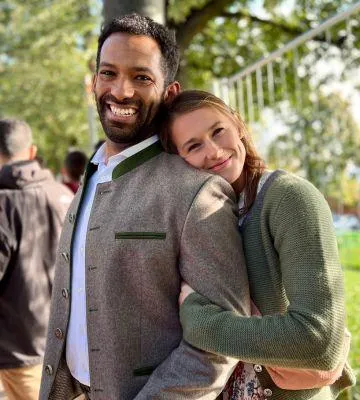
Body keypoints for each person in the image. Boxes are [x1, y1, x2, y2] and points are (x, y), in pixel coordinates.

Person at [39, 13, 250, 400]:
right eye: (108, 73)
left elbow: (222, 340)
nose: (121, 91)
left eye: (141, 77)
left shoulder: (197, 192)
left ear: (169, 92)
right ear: (95, 81)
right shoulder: (93, 172)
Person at [159, 90, 356, 400]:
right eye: (194, 146)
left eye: (218, 131)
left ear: (238, 126)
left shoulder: (289, 199)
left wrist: (198, 323)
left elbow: (320, 342)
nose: (213, 151)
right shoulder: (198, 220)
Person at [0, 119, 73, 400]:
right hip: (68, 343)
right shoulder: (63, 194)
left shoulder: (4, 202)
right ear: (31, 152)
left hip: (21, 346)